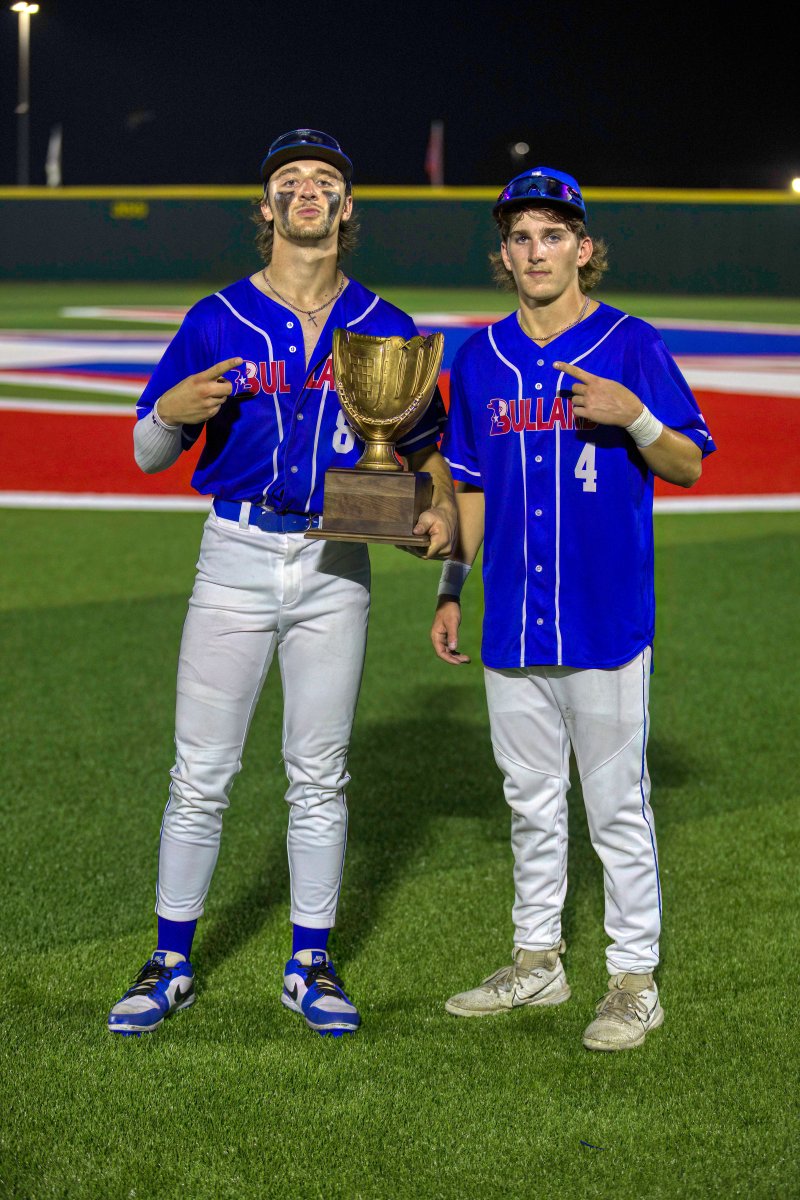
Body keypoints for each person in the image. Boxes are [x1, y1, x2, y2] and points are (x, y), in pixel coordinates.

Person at [107, 129, 456, 1039]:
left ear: (347, 207)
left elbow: (429, 457)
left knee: (320, 773)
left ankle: (310, 962)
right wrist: (170, 410)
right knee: (201, 772)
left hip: (336, 564)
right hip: (235, 552)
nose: (308, 190)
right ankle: (170, 961)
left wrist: (434, 517)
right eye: (290, 180)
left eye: (325, 180)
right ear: (266, 208)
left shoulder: (386, 325)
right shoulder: (216, 317)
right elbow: (146, 452)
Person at [430, 166, 715, 1051]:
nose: (536, 251)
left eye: (553, 234)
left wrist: (635, 417)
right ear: (504, 255)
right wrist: (451, 586)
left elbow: (688, 463)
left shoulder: (632, 345)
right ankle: (538, 961)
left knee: (617, 809)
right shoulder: (480, 359)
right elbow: (469, 489)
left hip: (604, 618)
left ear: (584, 249)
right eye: (520, 237)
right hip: (512, 619)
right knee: (529, 803)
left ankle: (634, 980)